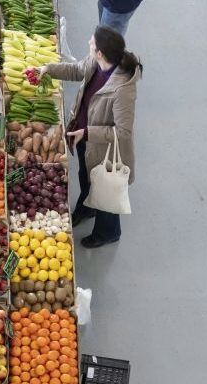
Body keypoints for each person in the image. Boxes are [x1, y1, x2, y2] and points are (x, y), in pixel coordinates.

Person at [38, 27, 142, 248]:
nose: (88, 42)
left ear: (100, 53)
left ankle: (108, 232)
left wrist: (87, 133)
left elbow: (123, 133)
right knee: (86, 176)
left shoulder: (123, 89)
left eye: (92, 42)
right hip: (85, 137)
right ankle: (87, 207)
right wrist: (49, 69)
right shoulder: (97, 63)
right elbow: (77, 70)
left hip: (104, 150)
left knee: (105, 191)